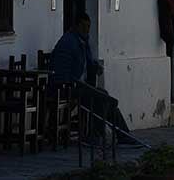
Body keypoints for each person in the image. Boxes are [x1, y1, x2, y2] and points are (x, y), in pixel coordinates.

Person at [50, 14, 136, 145]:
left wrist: (96, 66)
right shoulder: (68, 43)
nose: (86, 29)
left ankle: (123, 134)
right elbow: (61, 70)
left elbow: (89, 61)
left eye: (88, 26)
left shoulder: (83, 42)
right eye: (83, 26)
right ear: (76, 26)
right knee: (100, 98)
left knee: (106, 98)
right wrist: (72, 85)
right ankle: (95, 134)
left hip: (81, 85)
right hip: (69, 87)